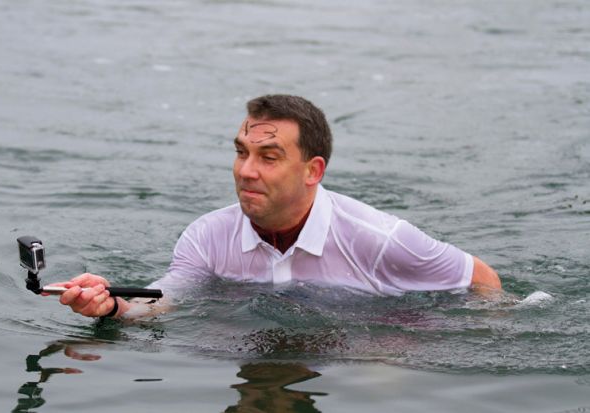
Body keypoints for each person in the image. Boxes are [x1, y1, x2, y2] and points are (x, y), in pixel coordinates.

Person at [52, 94, 501, 319]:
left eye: (268, 158)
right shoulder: (207, 235)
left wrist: (415, 342)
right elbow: (171, 296)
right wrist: (112, 305)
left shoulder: (380, 239)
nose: (246, 171)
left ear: (312, 170)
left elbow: (481, 279)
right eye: (241, 152)